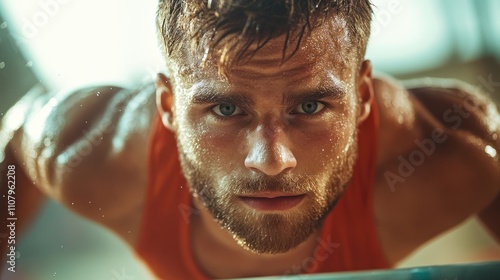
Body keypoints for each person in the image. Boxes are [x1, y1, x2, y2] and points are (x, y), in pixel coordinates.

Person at [1, 0, 499, 279]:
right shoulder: (88, 152)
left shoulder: (452, 155)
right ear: (169, 106)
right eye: (224, 108)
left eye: (309, 107)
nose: (271, 160)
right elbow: (18, 139)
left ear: (362, 96)